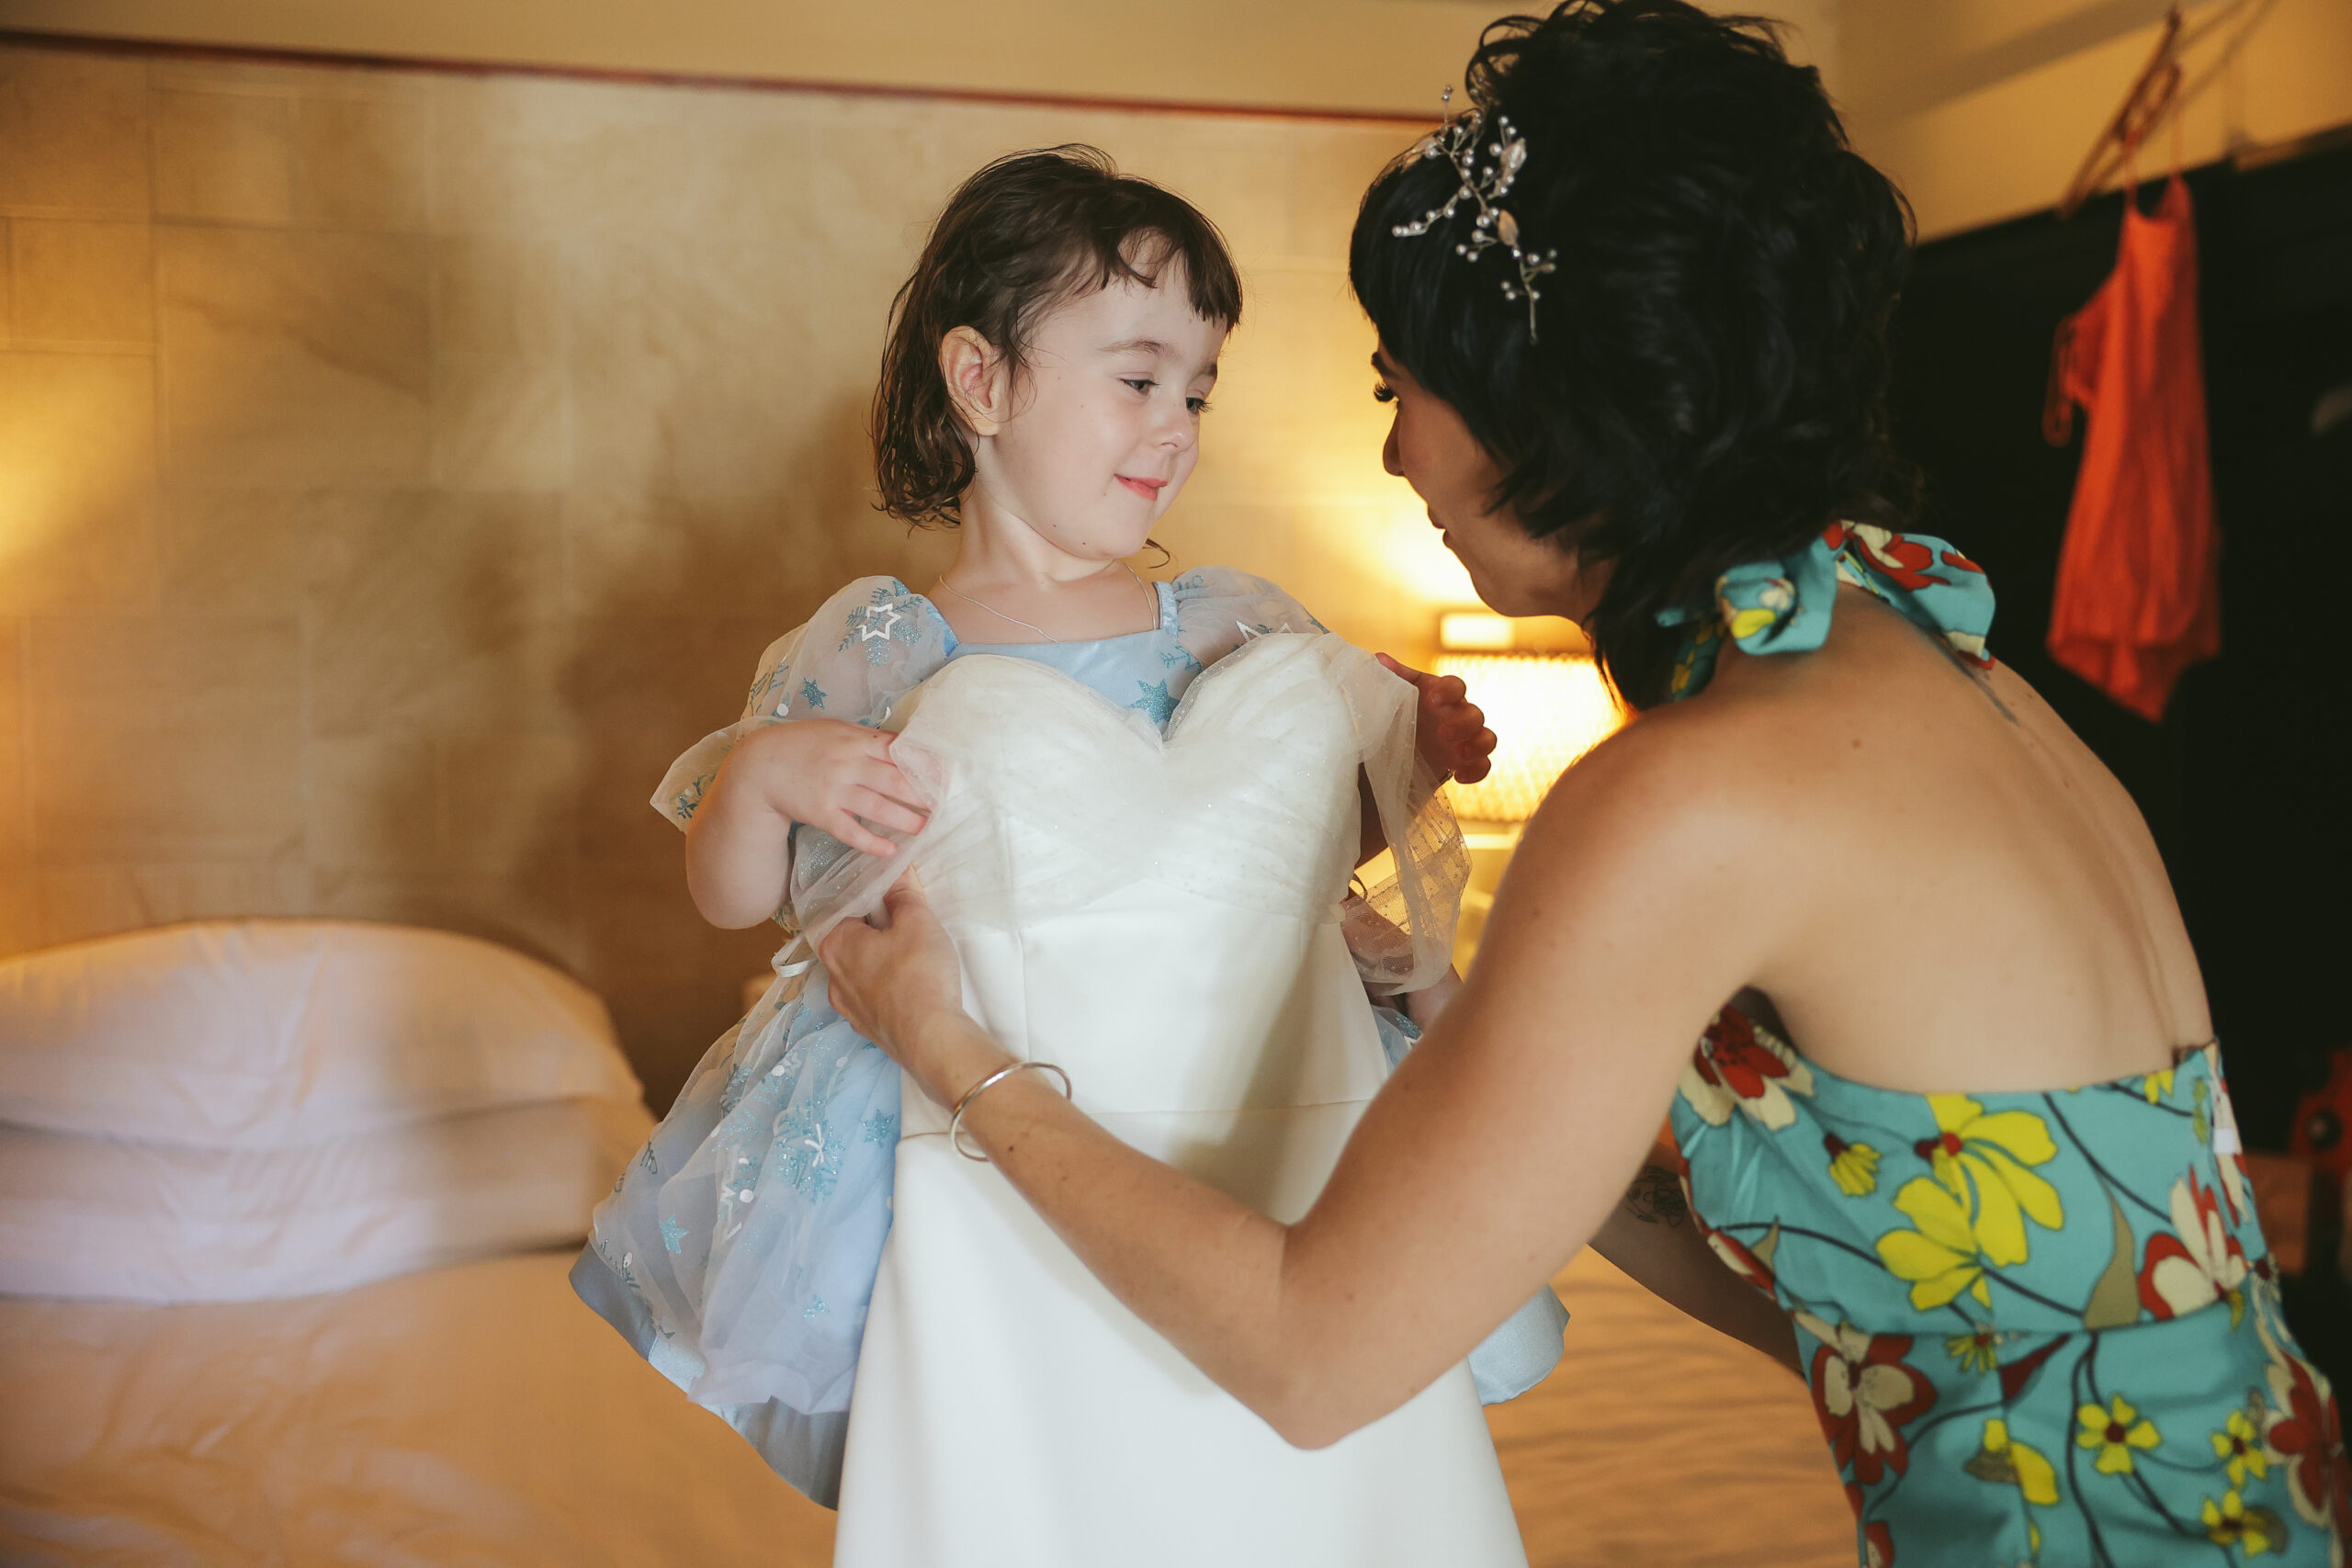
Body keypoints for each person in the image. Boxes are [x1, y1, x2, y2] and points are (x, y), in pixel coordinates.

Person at [819, 6, 2352, 1567]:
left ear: (1547, 407)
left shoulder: (1693, 794)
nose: (1403, 452)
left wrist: (947, 1047)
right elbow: (1918, 1286)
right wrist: (1430, 1033)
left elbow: (1310, 1352)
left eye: (1398, 381)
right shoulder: (1957, 666)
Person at [571, 146, 1555, 1565]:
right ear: (981, 384)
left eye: (1201, 391)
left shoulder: (1228, 620)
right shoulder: (880, 646)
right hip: (995, 1163)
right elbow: (735, 902)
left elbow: (1269, 868)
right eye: (1140, 378)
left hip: (1269, 1122)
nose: (1178, 428)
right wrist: (763, 774)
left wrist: (1413, 752)